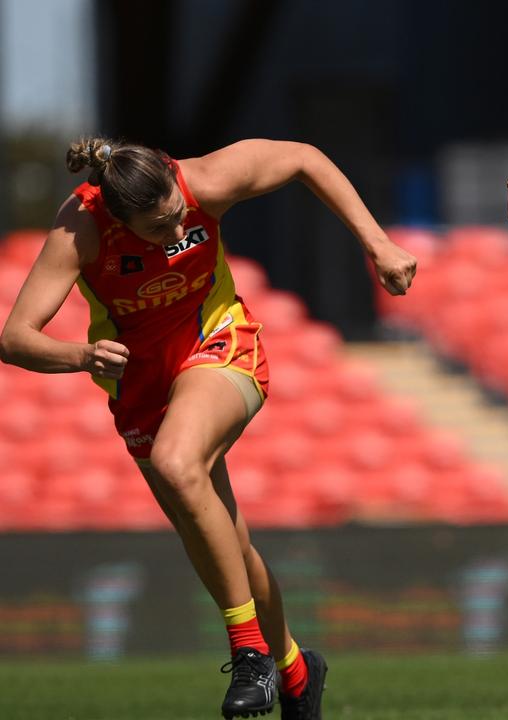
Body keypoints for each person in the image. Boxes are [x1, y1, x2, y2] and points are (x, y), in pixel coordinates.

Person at [0, 137, 416, 718]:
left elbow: (305, 159)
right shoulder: (81, 230)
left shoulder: (205, 181)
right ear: (118, 219)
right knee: (229, 546)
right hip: (143, 387)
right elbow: (14, 338)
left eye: (177, 217)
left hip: (218, 344)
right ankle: (296, 672)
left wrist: (377, 243)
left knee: (176, 462)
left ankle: (249, 656)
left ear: (175, 179)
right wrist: (81, 356)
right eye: (155, 229)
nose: (174, 236)